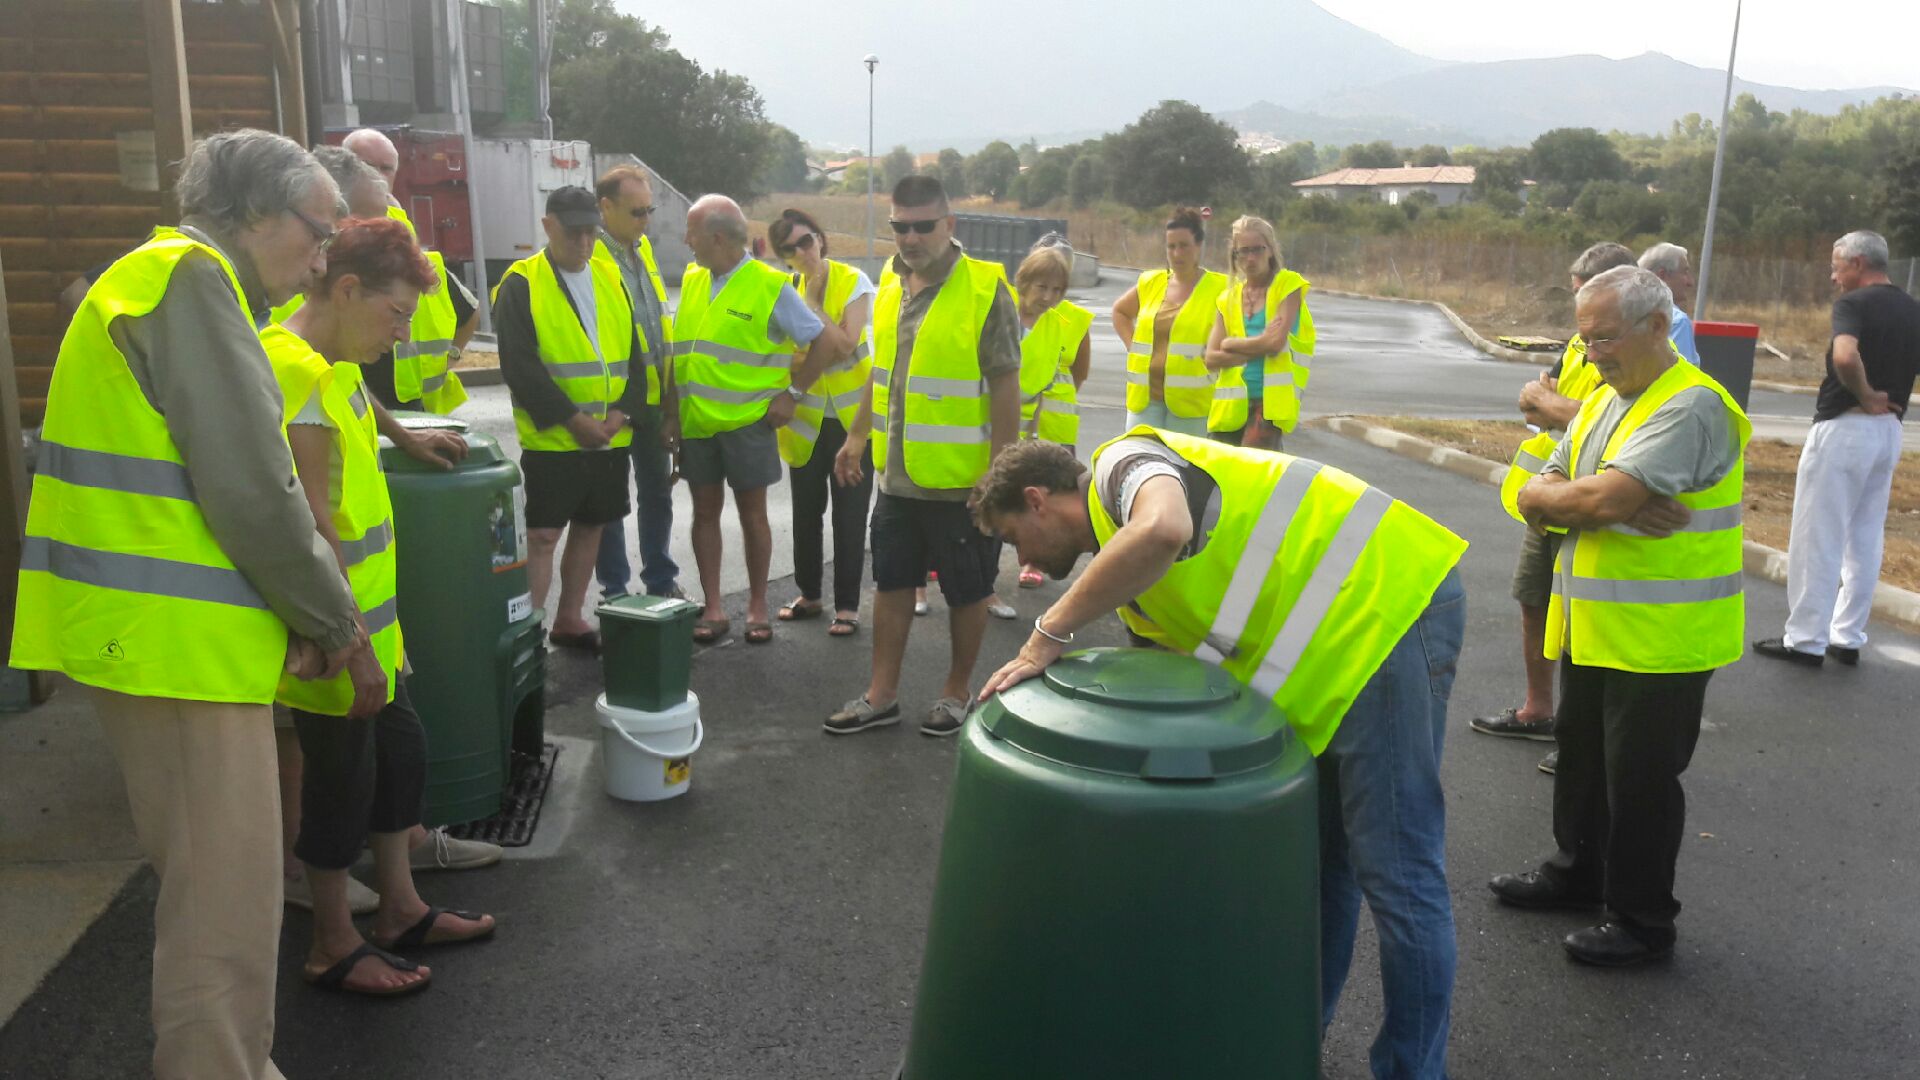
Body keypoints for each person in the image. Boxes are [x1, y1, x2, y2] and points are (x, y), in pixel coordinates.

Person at [10, 128, 370, 1080]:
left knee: (220, 898)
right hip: (175, 652)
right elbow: (255, 488)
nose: (324, 254)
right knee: (225, 910)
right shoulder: (189, 281)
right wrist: (333, 621)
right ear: (256, 212)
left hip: (165, 647)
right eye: (317, 229)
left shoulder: (161, 281)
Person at [972, 434, 1467, 1080]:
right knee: (1321, 870)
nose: (1021, 559)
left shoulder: (1123, 468)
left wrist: (1048, 634)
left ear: (1037, 501)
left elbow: (1165, 526)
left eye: (1013, 539)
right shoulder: (1139, 595)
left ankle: (1412, 1071)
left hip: (1388, 606)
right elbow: (1184, 694)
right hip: (1333, 661)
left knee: (1401, 878)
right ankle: (1292, 1040)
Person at [1493, 266, 1750, 967]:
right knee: (1583, 764)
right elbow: (1524, 482)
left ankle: (1641, 920)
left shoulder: (1690, 405)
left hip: (1665, 638)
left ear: (1658, 326)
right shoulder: (1609, 402)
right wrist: (1573, 495)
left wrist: (1588, 496)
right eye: (1585, 338)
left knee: (1639, 782)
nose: (1593, 353)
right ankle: (1579, 875)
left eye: (1606, 336)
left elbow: (1597, 502)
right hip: (1598, 627)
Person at [266, 217, 496, 997]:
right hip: (336, 635)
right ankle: (332, 942)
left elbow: (357, 402)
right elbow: (310, 526)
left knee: (399, 758)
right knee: (340, 782)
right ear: (346, 289)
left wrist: (404, 436)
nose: (401, 336)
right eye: (396, 315)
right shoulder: (292, 370)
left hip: (373, 628)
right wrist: (351, 642)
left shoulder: (328, 360)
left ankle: (398, 909)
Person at [825, 176, 1023, 737]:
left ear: (950, 225)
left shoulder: (986, 289)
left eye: (922, 226)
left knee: (967, 590)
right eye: (899, 226)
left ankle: (956, 693)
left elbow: (1005, 383)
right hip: (897, 479)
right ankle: (880, 695)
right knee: (890, 583)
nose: (910, 238)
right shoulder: (890, 287)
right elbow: (880, 376)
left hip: (962, 484)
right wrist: (858, 435)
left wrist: (999, 472)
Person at [1472, 242, 1636, 773]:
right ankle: (1540, 711)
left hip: (1596, 501)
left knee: (1585, 620)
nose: (1580, 315)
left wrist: (1551, 405)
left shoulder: (1643, 342)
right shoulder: (1579, 346)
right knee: (1534, 601)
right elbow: (1537, 404)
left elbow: (1608, 420)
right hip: (1550, 494)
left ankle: (1580, 738)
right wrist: (1548, 406)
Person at [672, 194, 845, 645]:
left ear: (714, 237)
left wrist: (792, 394)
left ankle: (756, 608)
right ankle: (714, 607)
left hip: (748, 423)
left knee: (753, 516)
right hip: (697, 424)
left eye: (691, 233)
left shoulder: (770, 285)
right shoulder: (694, 279)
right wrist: (671, 417)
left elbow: (823, 343)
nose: (685, 241)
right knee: (704, 513)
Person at [1756, 229, 1920, 667]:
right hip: (1889, 432)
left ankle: (1805, 638)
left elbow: (1845, 356)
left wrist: (1864, 393)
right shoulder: (1911, 309)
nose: (1833, 276)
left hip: (1845, 427)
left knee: (1818, 535)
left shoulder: (1853, 305)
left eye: (1836, 265)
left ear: (1858, 264)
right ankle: (1847, 635)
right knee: (1865, 535)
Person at [494, 185, 644, 650]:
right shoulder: (521, 283)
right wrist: (572, 420)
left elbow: (633, 353)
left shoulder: (608, 275)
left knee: (593, 524)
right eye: (573, 233)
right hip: (554, 440)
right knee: (542, 534)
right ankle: (528, 630)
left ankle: (569, 618)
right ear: (548, 227)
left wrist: (624, 411)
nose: (583, 244)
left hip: (608, 436)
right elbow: (519, 366)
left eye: (591, 233)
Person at [768, 208, 876, 636]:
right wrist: (813, 348)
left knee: (849, 515)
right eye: (790, 249)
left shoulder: (853, 281)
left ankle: (847, 606)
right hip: (806, 420)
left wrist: (812, 307)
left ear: (820, 238)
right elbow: (784, 353)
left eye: (806, 241)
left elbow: (847, 344)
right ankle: (809, 595)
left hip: (851, 423)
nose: (802, 252)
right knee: (805, 513)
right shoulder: (783, 287)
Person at [592, 164, 687, 602]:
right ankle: (615, 591)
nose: (645, 219)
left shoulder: (642, 249)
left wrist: (670, 404)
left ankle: (661, 582)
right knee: (610, 504)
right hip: (611, 405)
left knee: (657, 496)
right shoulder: (589, 258)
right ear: (605, 207)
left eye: (649, 210)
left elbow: (658, 332)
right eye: (636, 212)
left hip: (650, 402)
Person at [1011, 245, 1092, 592]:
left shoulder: (1066, 322)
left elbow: (1079, 372)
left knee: (1043, 498)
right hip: (1006, 420)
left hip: (1050, 424)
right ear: (1025, 280)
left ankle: (1033, 560)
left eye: (1057, 290)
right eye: (1042, 287)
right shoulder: (1002, 315)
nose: (1049, 296)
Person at [1110, 207, 1230, 438]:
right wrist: (1133, 347)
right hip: (1145, 401)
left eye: (1184, 245)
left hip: (1192, 406)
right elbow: (1120, 312)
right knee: (1142, 465)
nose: (1177, 253)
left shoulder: (1221, 288)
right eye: (1171, 246)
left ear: (1199, 245)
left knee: (1185, 470)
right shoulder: (1151, 282)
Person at [1204, 215, 1314, 450]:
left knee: (1253, 477)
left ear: (1271, 251)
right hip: (1230, 406)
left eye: (1257, 250)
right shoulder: (1228, 298)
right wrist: (1259, 343)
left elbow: (1274, 344)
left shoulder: (1288, 285)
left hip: (1268, 404)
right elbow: (1211, 358)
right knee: (1219, 479)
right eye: (1243, 251)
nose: (1250, 258)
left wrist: (1231, 344)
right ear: (1235, 255)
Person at [1638, 242, 1701, 364]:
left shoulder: (1621, 312)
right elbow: (1682, 375)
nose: (1690, 282)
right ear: (1662, 275)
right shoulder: (1676, 321)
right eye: (1685, 272)